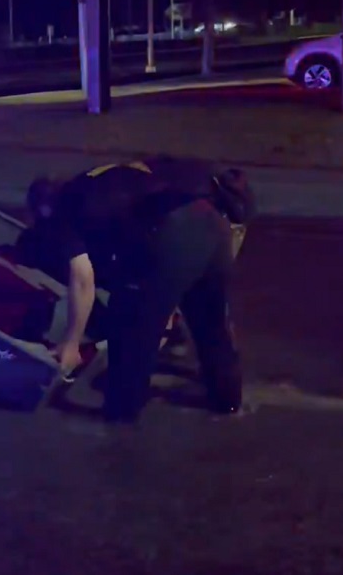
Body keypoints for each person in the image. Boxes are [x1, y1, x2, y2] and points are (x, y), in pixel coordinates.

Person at [22, 157, 254, 424]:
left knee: (131, 325)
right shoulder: (98, 180)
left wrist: (71, 343)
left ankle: (121, 415)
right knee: (211, 324)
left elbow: (83, 279)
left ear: (42, 208)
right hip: (213, 222)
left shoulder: (63, 211)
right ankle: (227, 400)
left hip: (170, 231)